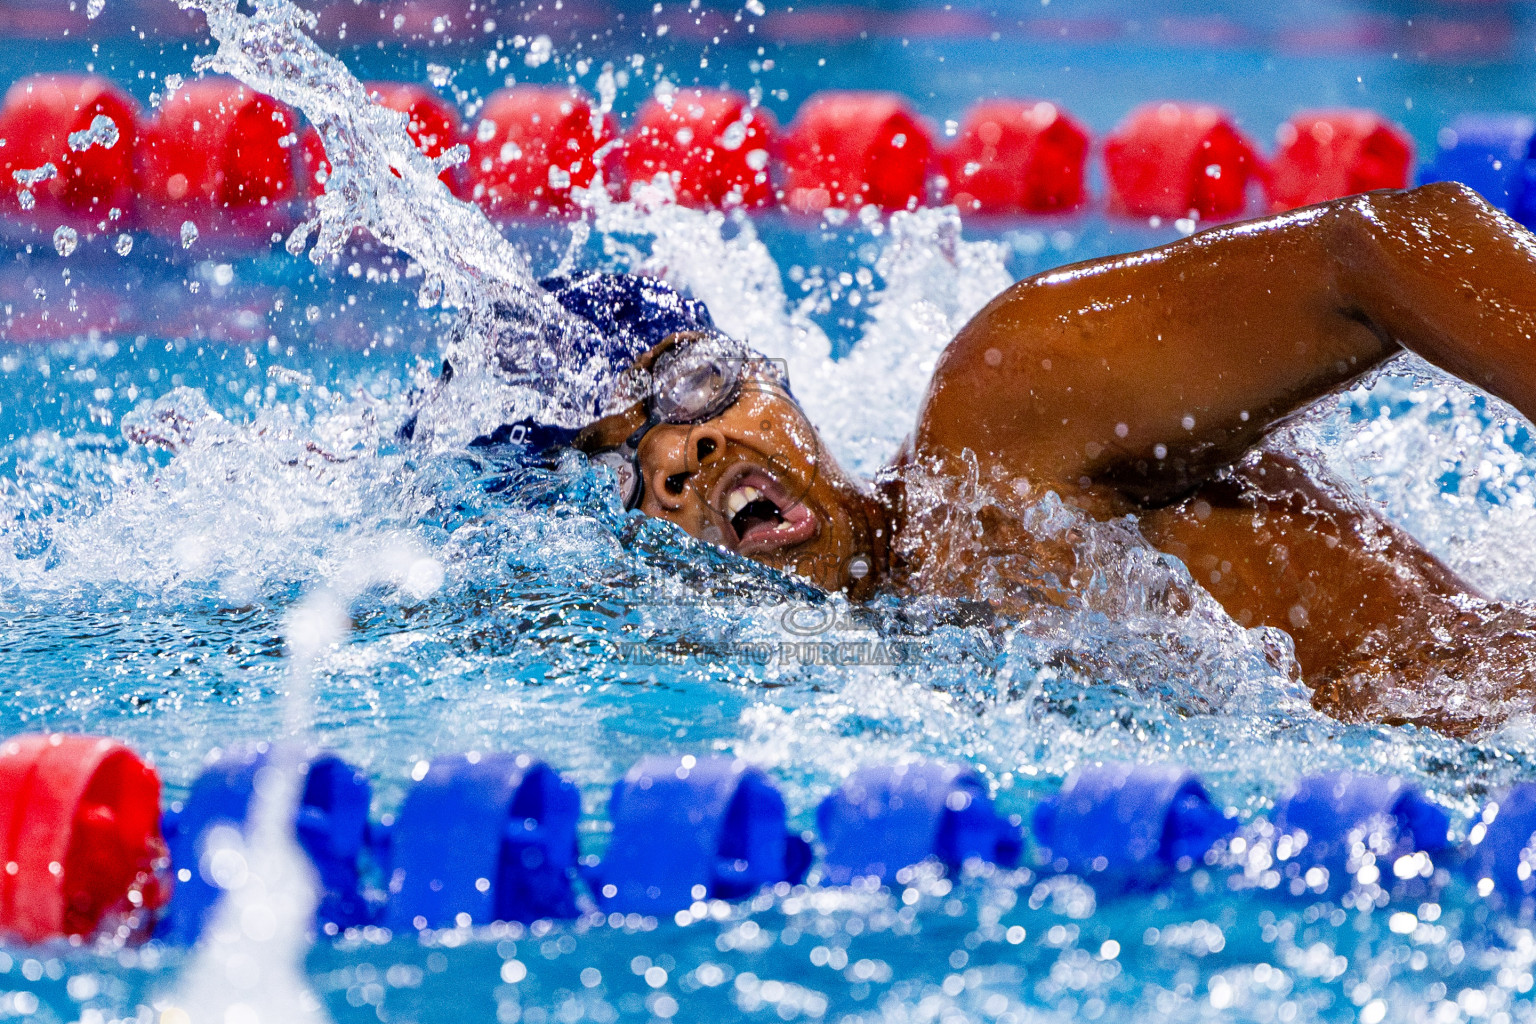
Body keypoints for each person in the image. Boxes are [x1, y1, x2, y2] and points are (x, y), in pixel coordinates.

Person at [456, 181, 1536, 734]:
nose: (684, 448)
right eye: (628, 464)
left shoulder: (997, 418)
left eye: (691, 387)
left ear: (769, 375)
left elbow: (1388, 245)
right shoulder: (854, 655)